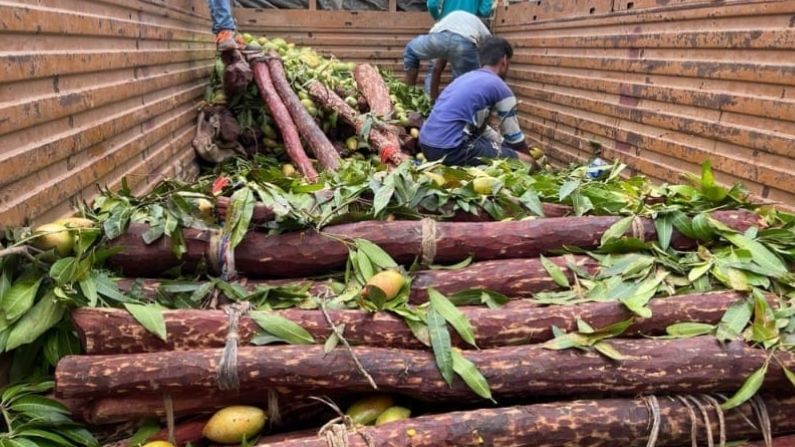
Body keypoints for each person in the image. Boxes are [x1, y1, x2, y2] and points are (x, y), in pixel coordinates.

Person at [418, 37, 537, 168]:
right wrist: (532, 162)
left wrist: (502, 144)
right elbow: (515, 139)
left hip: (427, 145)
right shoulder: (500, 87)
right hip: (452, 149)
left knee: (489, 146)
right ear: (504, 61)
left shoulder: (466, 78)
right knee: (526, 163)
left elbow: (479, 128)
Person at [404, 11, 491, 99]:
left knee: (410, 50)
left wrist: (433, 99)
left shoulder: (449, 18)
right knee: (465, 84)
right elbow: (491, 48)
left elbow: (436, 68)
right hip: (463, 42)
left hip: (439, 38)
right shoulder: (481, 27)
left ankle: (409, 97)